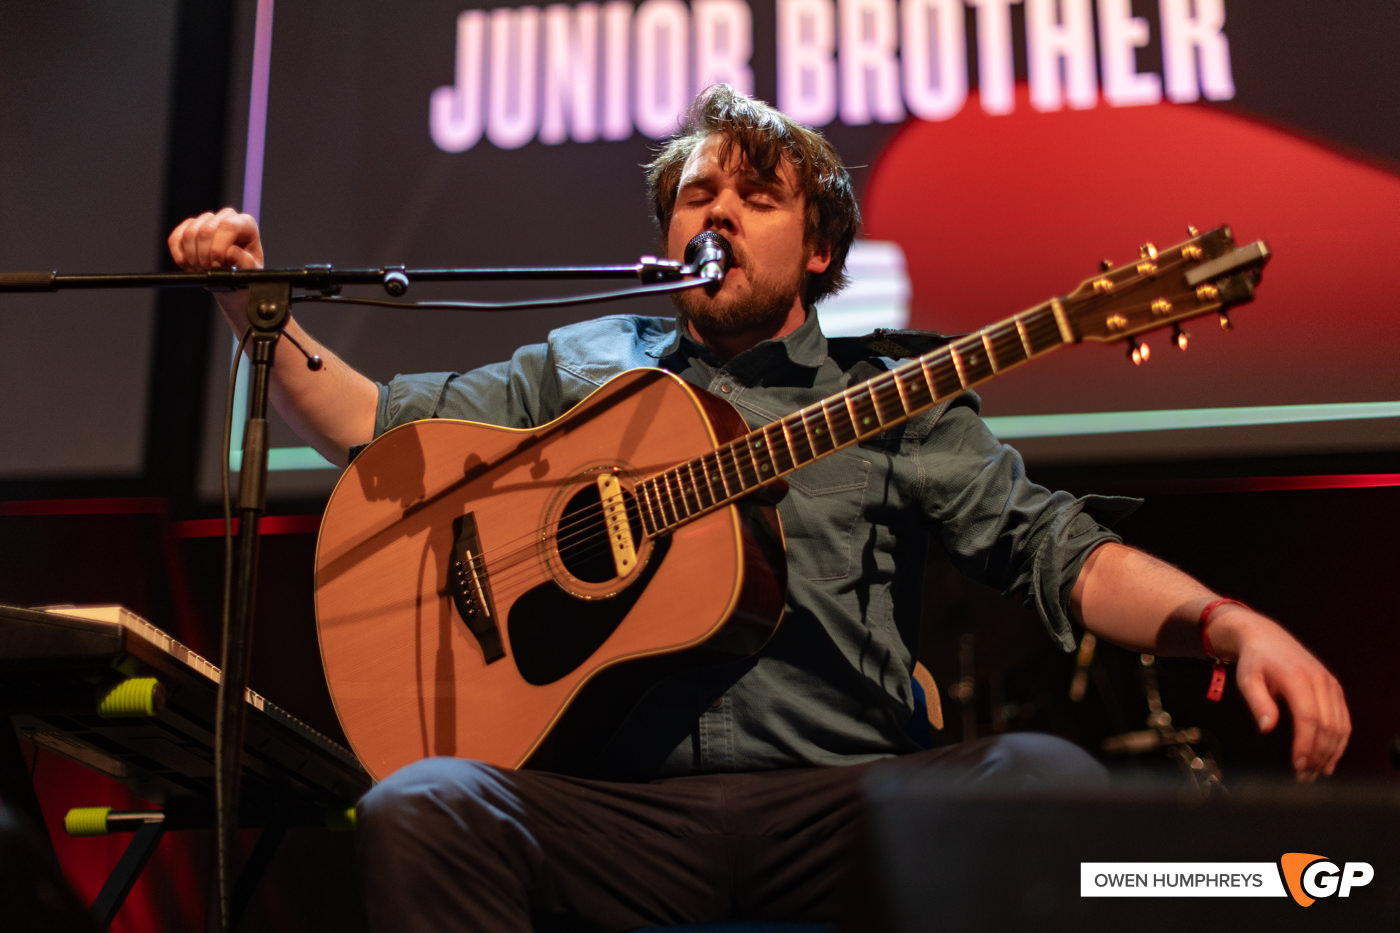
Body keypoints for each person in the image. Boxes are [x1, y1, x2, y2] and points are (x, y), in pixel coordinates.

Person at [169, 85, 1349, 931]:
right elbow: (379, 434)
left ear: (822, 242)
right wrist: (248, 309)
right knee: (424, 803)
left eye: (753, 196)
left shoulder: (890, 393)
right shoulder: (579, 368)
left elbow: (1057, 552)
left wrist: (1224, 622)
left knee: (1043, 780)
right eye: (693, 197)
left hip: (843, 810)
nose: (713, 215)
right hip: (610, 815)